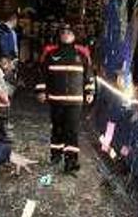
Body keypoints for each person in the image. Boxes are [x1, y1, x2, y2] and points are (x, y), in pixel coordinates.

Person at [35, 24, 95, 173]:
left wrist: (90, 92)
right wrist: (41, 91)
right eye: (63, 32)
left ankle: (71, 161)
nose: (66, 34)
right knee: (57, 128)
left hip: (75, 100)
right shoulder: (50, 53)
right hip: (56, 99)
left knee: (72, 130)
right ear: (59, 35)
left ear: (74, 35)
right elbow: (42, 74)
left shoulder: (82, 53)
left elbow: (89, 75)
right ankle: (56, 155)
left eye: (69, 32)